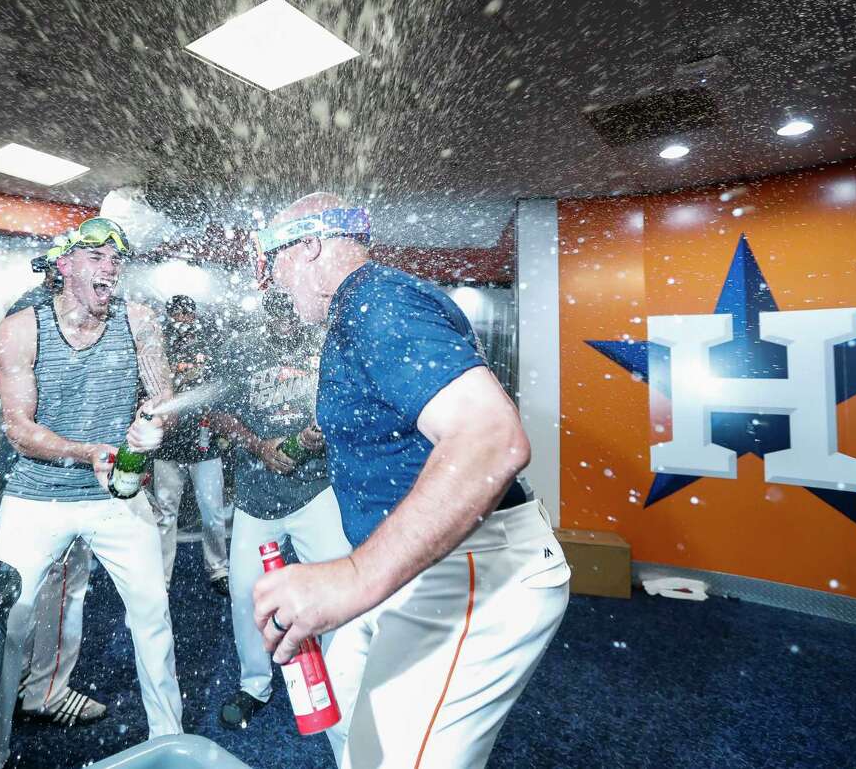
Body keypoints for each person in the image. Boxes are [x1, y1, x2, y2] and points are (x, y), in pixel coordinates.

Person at [250, 194, 571, 768]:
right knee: (349, 721)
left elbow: (492, 439)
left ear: (309, 247)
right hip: (412, 559)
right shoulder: (358, 310)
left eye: (273, 262)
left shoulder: (378, 301)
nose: (271, 282)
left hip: (469, 566)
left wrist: (350, 579)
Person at [0, 217, 182, 768]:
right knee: (8, 625)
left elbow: (160, 395)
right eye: (96, 256)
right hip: (35, 497)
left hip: (114, 500)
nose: (111, 266)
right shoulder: (23, 327)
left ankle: (168, 742)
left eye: (115, 259)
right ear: (65, 265)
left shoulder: (139, 320)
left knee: (152, 617)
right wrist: (88, 452)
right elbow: (18, 428)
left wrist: (151, 425)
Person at [209, 290, 351, 730]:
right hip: (256, 497)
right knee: (245, 593)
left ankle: (342, 681)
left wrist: (321, 433)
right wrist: (258, 445)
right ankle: (254, 684)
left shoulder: (324, 347)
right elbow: (218, 414)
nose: (287, 321)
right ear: (267, 314)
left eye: (294, 312)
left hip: (316, 491)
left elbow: (346, 404)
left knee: (339, 590)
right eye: (279, 313)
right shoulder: (241, 350)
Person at [0, 253, 103, 726]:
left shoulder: (35, 310)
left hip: (32, 470)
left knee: (23, 590)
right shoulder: (40, 314)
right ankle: (46, 691)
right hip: (52, 473)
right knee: (60, 586)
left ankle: (11, 687)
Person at [152, 294, 231, 596]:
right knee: (165, 515)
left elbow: (220, 387)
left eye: (187, 314)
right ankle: (162, 578)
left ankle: (218, 569)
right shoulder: (158, 347)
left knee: (212, 512)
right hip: (167, 446)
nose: (182, 320)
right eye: (177, 314)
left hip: (204, 442)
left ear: (194, 315)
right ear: (170, 316)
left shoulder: (210, 344)